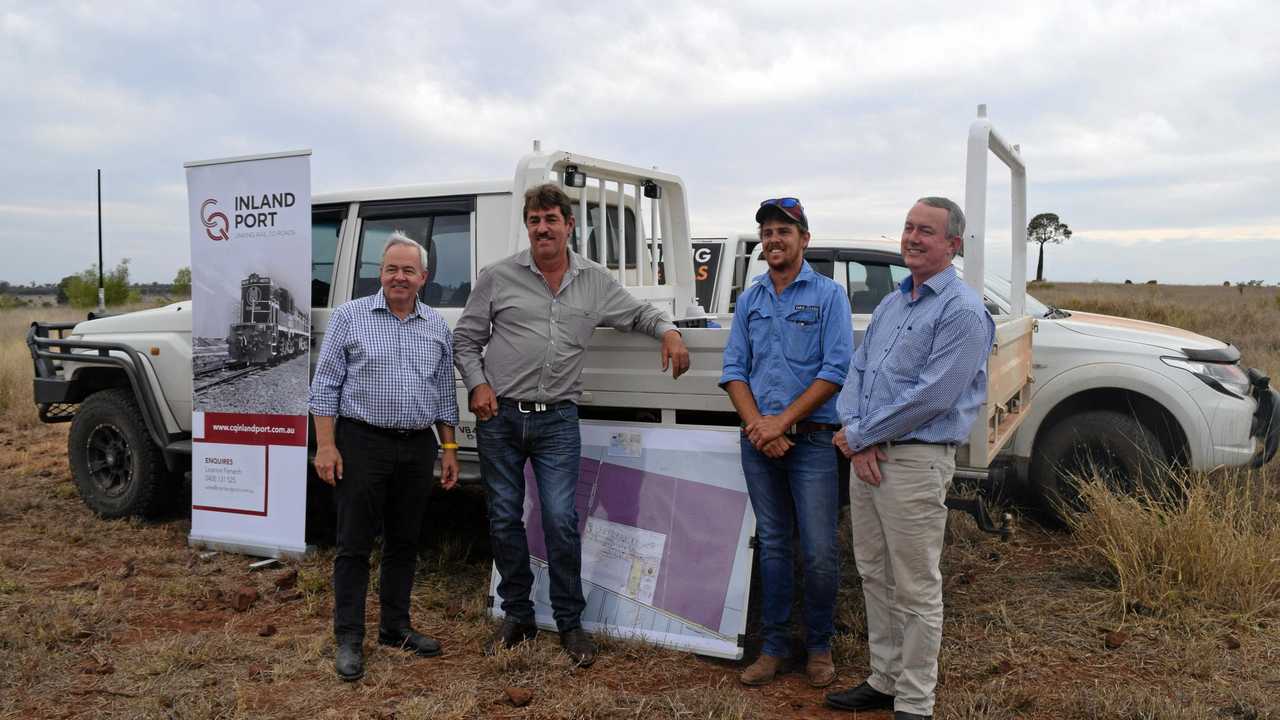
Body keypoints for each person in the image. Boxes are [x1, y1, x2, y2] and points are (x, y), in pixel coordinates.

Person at [453, 183, 691, 667]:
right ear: (528, 226)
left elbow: (640, 313)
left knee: (561, 521)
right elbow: (465, 340)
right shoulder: (497, 277)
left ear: (569, 225)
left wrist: (669, 331)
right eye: (535, 220)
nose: (543, 228)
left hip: (558, 420)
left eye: (551, 219)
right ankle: (516, 615)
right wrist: (477, 385)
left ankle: (569, 623)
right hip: (499, 417)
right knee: (504, 517)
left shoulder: (595, 282)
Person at [825, 198, 995, 720]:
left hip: (915, 465)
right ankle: (885, 678)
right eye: (908, 227)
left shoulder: (963, 311)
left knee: (915, 585)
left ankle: (916, 702)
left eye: (927, 231)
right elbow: (857, 373)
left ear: (954, 246)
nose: (913, 238)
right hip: (871, 456)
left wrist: (859, 438)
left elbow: (933, 397)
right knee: (874, 573)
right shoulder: (893, 304)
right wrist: (858, 434)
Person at [309, 231, 461, 682]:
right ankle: (350, 639)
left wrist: (448, 448)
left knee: (404, 541)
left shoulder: (436, 325)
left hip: (417, 446)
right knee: (354, 543)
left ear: (424, 277)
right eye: (392, 269)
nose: (399, 277)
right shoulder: (350, 317)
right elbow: (325, 386)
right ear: (381, 273)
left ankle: (395, 627)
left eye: (408, 270)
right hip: (362, 442)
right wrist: (327, 444)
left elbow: (443, 393)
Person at [720, 197, 853, 688]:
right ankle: (774, 647)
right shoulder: (751, 300)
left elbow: (835, 371)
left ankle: (818, 646)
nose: (774, 239)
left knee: (818, 550)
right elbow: (734, 370)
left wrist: (782, 424)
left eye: (784, 230)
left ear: (804, 239)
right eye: (767, 231)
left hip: (813, 443)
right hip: (759, 444)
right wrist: (760, 426)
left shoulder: (827, 296)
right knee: (773, 547)